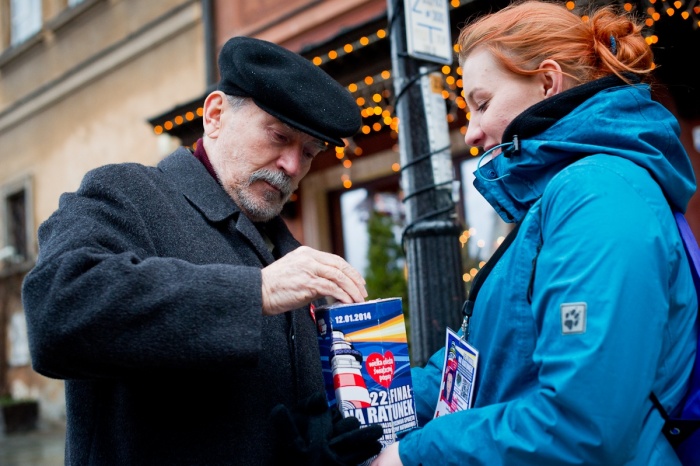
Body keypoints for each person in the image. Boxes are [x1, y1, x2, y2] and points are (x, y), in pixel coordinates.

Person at [22, 36, 383, 465]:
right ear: (215, 115)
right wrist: (255, 292)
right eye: (278, 136)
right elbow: (57, 312)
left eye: (308, 152)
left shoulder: (287, 252)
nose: (292, 165)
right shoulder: (125, 192)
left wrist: (317, 446)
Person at [372, 1, 697, 465]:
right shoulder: (564, 195)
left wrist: (413, 455)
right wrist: (367, 404)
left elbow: (583, 424)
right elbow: (485, 368)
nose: (471, 132)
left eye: (482, 104)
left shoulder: (598, 193)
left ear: (548, 82)